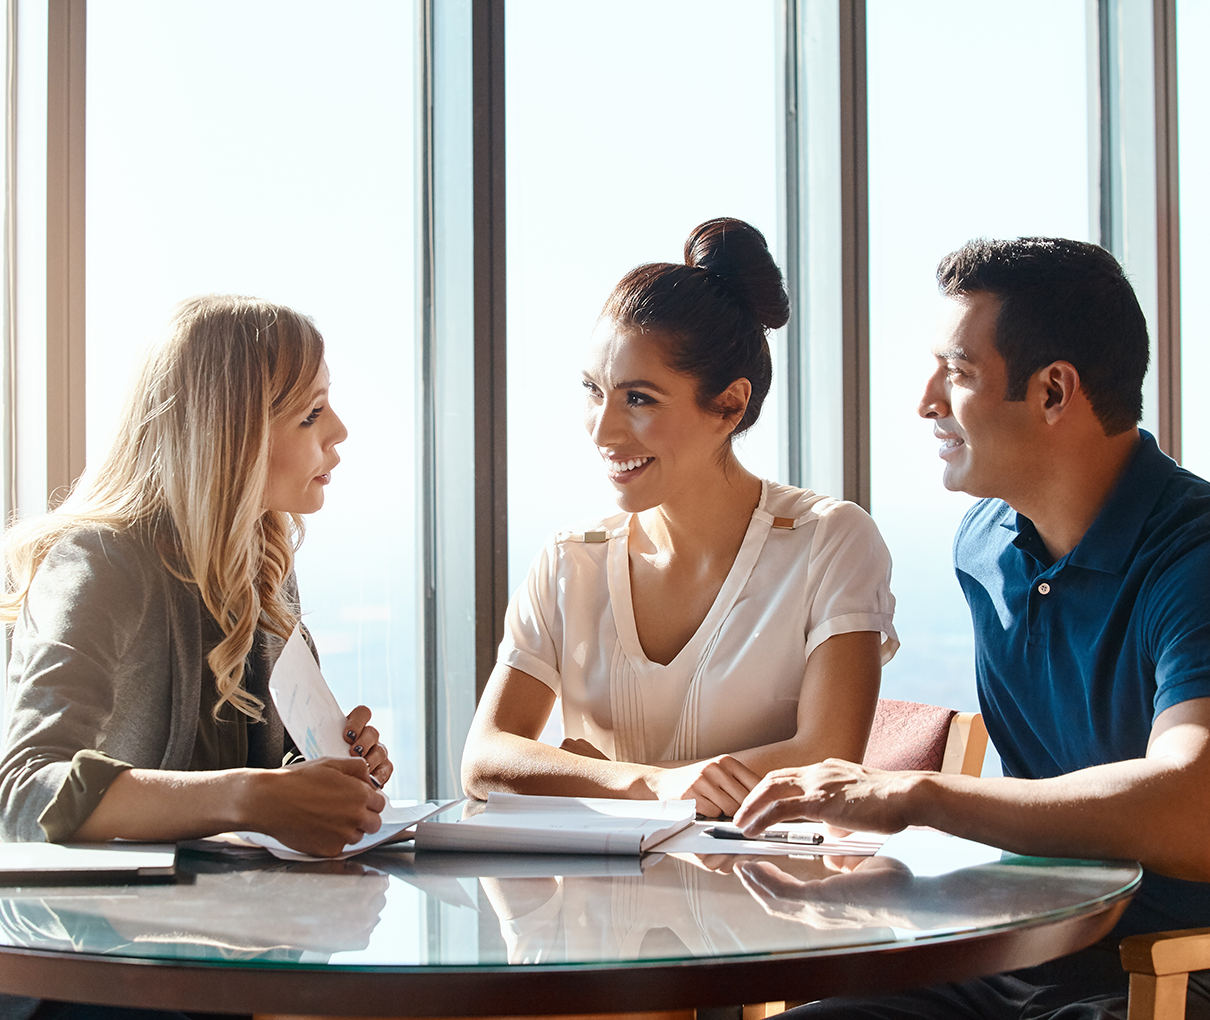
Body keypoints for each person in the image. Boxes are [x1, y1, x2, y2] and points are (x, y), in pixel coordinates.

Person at [734, 237, 1210, 1019]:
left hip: (1170, 974)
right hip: (1020, 948)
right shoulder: (985, 544)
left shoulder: (1193, 557)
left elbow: (1192, 806)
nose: (926, 401)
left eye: (956, 373)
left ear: (1055, 391)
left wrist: (919, 795)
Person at [462, 218, 898, 818]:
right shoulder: (570, 560)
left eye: (639, 399)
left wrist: (589, 774)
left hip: (765, 897)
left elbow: (825, 758)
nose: (603, 429)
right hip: (594, 905)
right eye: (594, 390)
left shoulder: (829, 542)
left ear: (730, 404)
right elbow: (485, 760)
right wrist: (654, 786)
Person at [0, 295, 392, 854]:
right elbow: (22, 793)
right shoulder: (99, 565)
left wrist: (324, 776)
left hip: (220, 923)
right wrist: (251, 797)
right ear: (231, 437)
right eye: (311, 413)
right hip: (83, 931)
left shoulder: (263, 568)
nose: (338, 430)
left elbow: (251, 778)